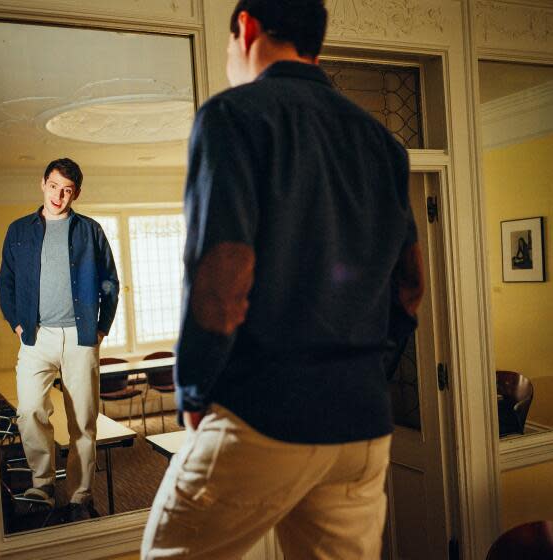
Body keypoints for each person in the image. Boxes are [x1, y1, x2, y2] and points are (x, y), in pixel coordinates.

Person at [141, 0, 424, 558]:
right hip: (363, 425)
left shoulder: (234, 116)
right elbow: (410, 283)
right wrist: (366, 372)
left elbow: (222, 274)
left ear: (245, 27)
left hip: (266, 413)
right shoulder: (384, 144)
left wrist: (194, 389)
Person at [0, 158, 119, 521]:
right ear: (43, 184)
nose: (58, 195)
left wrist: (101, 328)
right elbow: (6, 282)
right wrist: (17, 323)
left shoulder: (90, 231)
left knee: (83, 418)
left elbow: (110, 282)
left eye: (67, 190)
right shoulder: (19, 230)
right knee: (30, 409)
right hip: (37, 336)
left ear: (76, 193)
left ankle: (81, 495)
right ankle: (42, 484)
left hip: (81, 338)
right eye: (53, 186)